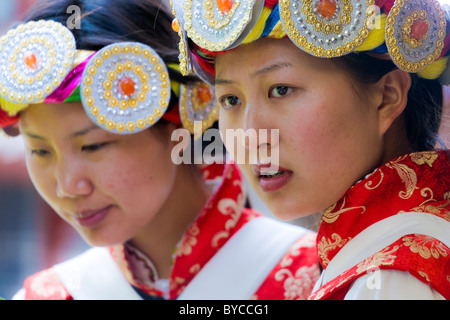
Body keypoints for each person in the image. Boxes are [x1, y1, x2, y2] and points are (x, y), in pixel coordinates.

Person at [0, 0, 319, 300]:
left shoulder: (318, 277)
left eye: (93, 146)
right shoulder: (51, 294)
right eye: (40, 151)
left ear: (178, 123)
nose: (67, 186)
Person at [172, 0, 450, 299]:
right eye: (230, 100)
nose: (250, 136)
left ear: (387, 96)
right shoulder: (388, 253)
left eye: (281, 89)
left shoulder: (392, 278)